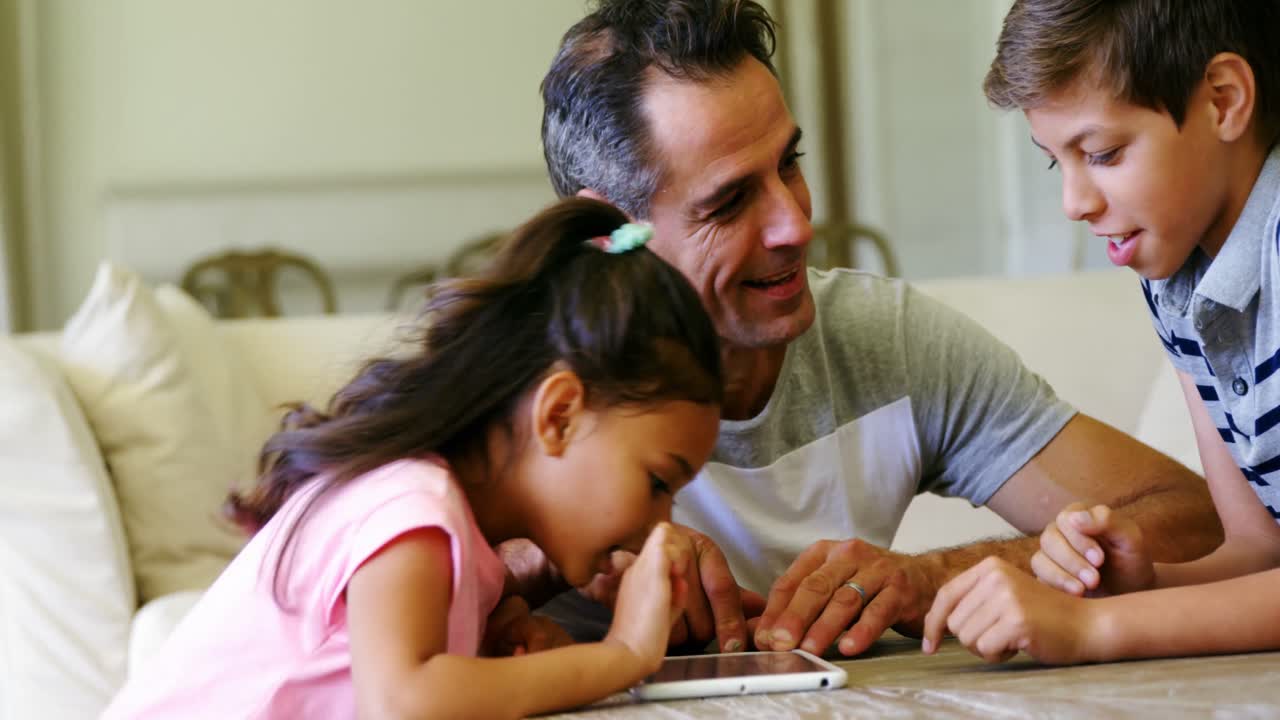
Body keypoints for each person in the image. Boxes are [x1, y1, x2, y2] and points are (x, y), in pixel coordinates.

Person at [532, 0, 1225, 660]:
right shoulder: (504, 374)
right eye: (730, 201)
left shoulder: (886, 341)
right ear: (607, 232)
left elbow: (1194, 522)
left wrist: (931, 579)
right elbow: (428, 560)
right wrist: (562, 555)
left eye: (789, 166)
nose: (796, 225)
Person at [101, 198, 726, 719]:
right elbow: (403, 703)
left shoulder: (445, 524)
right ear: (558, 415)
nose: (662, 520)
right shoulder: (411, 505)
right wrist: (622, 654)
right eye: (657, 481)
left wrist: (494, 628)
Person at [923, 0, 1280, 664]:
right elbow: (1259, 553)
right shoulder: (1177, 280)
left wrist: (1096, 632)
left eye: (1104, 152)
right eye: (1059, 162)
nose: (1075, 203)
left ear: (1224, 101)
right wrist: (1137, 589)